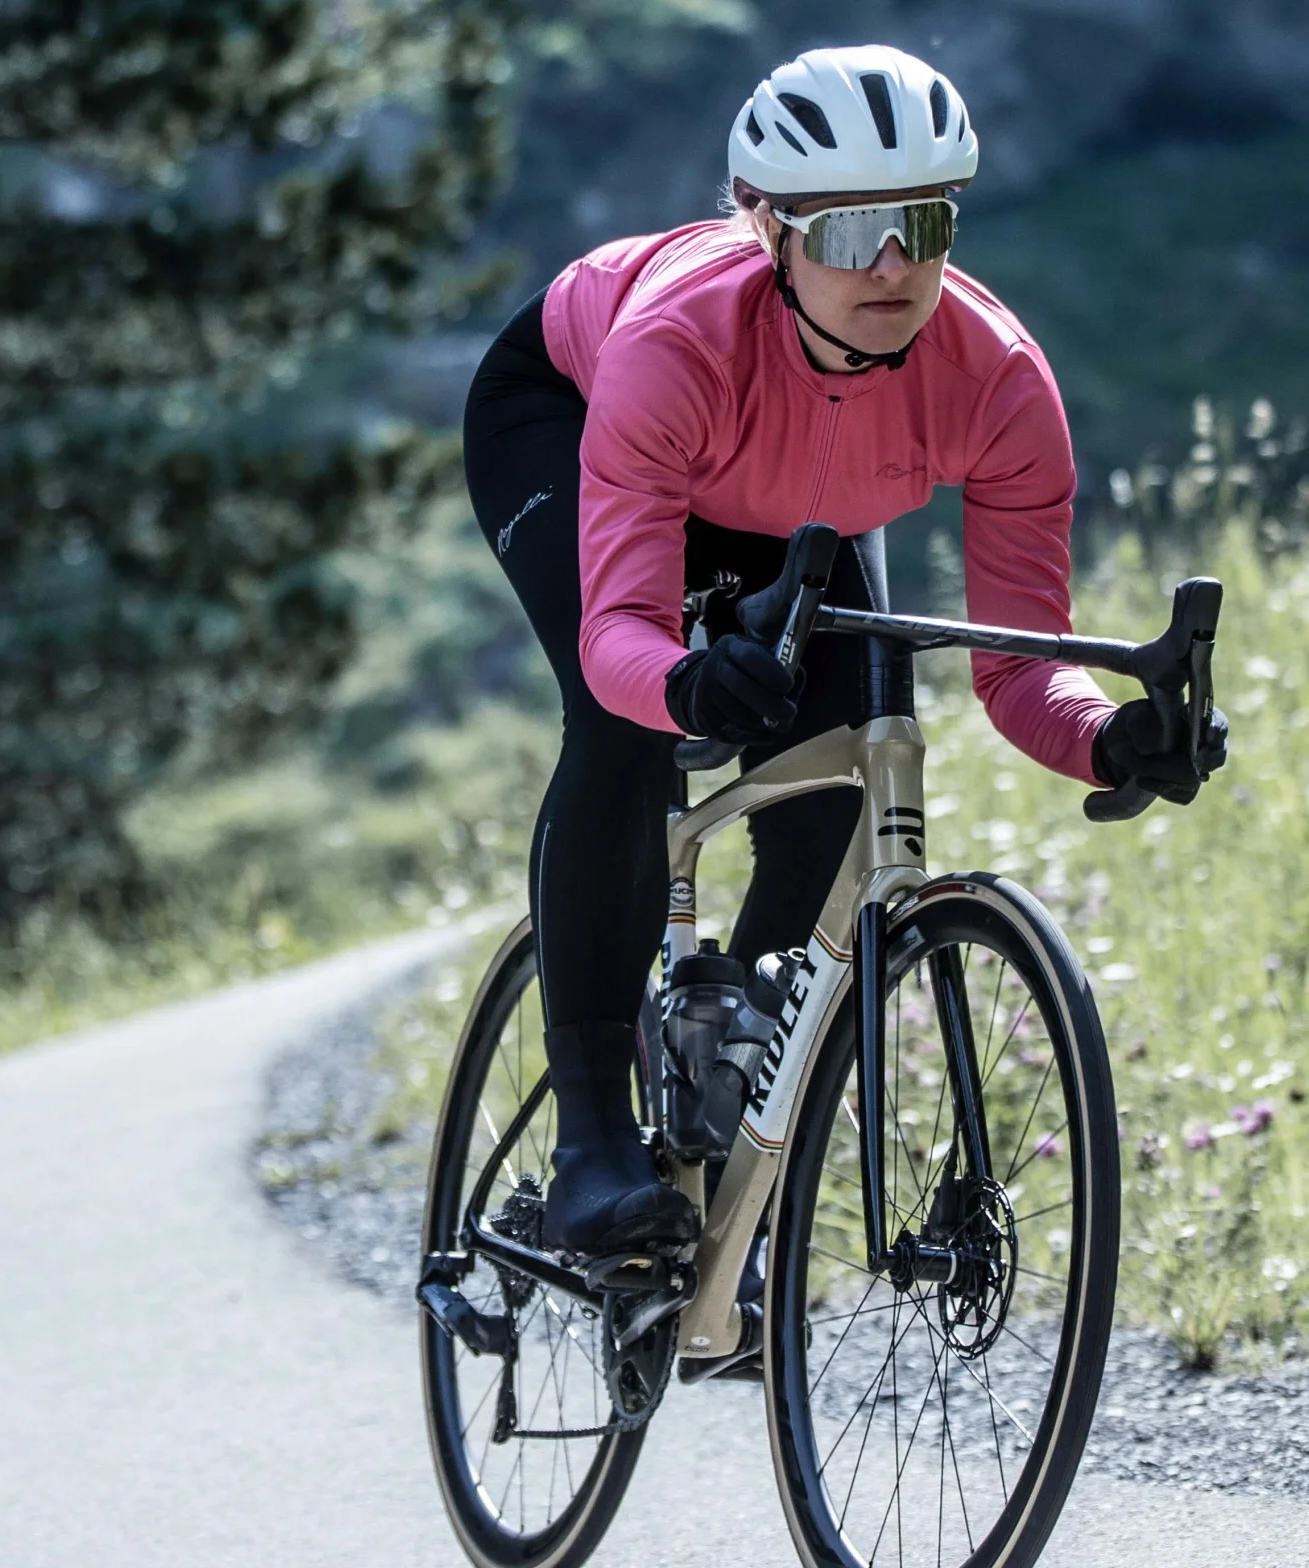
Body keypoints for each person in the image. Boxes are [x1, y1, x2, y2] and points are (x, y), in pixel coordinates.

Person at [461, 44, 1228, 1259]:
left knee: (841, 762)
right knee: (622, 730)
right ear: (765, 227)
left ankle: (724, 1095)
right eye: (851, 230)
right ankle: (591, 1145)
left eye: (922, 225)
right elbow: (617, 636)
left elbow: (1017, 665)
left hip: (798, 508)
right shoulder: (676, 341)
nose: (892, 266)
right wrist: (683, 681)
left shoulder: (998, 381)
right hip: (569, 416)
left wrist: (1108, 737)